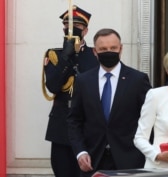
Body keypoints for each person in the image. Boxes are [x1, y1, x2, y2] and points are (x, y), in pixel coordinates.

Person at [67, 28, 152, 177]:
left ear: (121, 48)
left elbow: (150, 119)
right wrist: (80, 152)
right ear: (95, 51)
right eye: (103, 49)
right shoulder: (83, 81)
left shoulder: (138, 80)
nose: (109, 51)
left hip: (129, 160)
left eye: (113, 48)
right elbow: (74, 119)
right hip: (93, 160)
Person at [42, 5, 99, 177]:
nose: (72, 29)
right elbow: (53, 86)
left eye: (78, 26)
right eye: (68, 26)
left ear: (86, 30)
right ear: (64, 28)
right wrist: (66, 58)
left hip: (87, 126)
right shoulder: (54, 55)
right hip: (61, 128)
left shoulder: (95, 55)